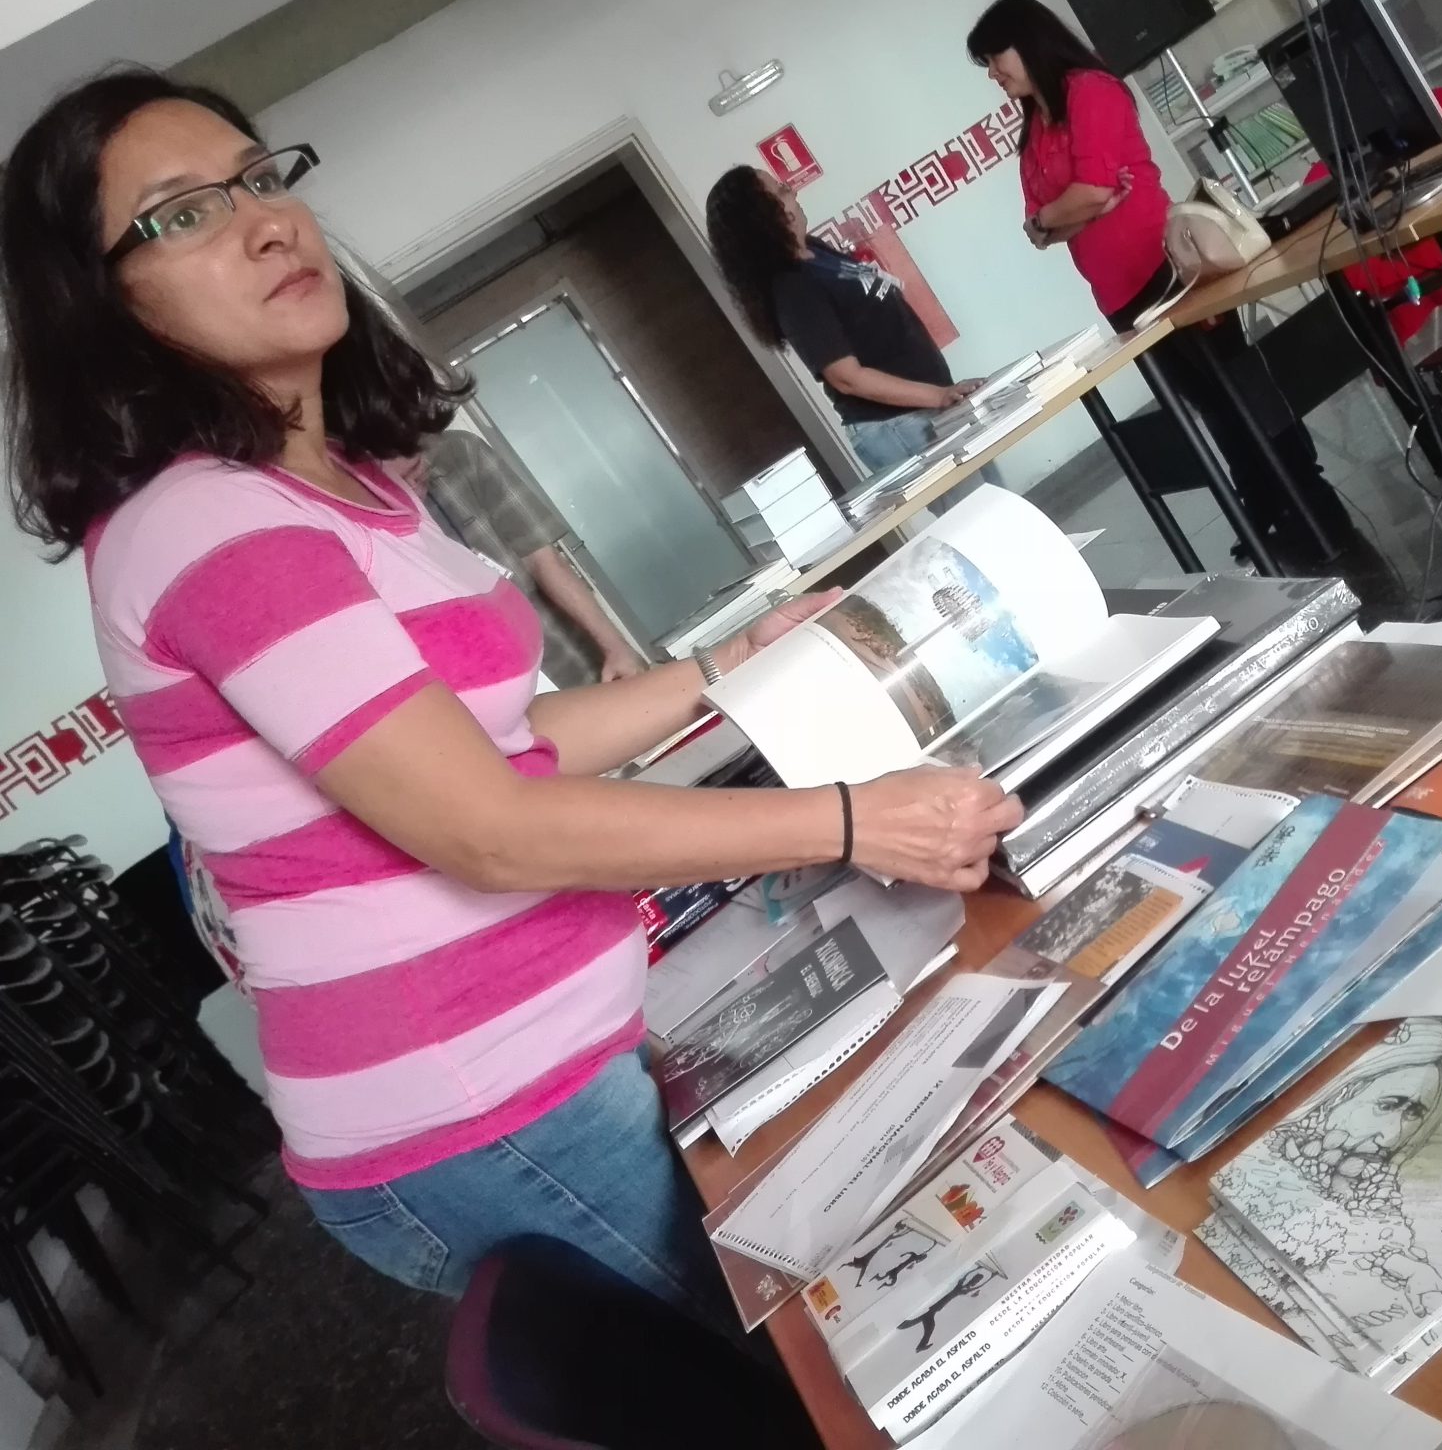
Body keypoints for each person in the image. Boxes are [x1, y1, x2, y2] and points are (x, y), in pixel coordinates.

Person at [0, 69, 1022, 1328]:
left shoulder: (348, 486)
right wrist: (853, 821)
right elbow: (486, 826)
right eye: (183, 213)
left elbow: (513, 736)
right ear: (98, 304)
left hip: (559, 1046)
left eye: (259, 178)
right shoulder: (204, 522)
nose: (263, 221)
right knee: (815, 1355)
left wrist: (726, 664)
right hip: (477, 1108)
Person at [966, 0, 1361, 574]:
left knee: (1236, 392)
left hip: (1171, 268)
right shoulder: (1034, 131)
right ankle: (1265, 506)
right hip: (1119, 297)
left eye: (995, 58)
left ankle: (1307, 500)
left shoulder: (1090, 91)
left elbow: (1089, 193)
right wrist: (1065, 212)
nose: (994, 75)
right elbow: (1041, 228)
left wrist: (1072, 208)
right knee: (1208, 406)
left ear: (1027, 42)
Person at [706, 166, 979, 481]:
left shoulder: (814, 250)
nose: (793, 191)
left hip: (928, 407)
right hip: (898, 426)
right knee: (976, 506)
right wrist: (938, 396)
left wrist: (941, 396)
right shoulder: (793, 287)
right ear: (768, 214)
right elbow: (847, 378)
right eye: (781, 191)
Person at [395, 430, 644, 686]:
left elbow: (543, 560)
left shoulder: (461, 452)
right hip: (492, 686)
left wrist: (615, 647)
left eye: (415, 467)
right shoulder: (377, 534)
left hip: (575, 660)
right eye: (398, 480)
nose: (413, 483)